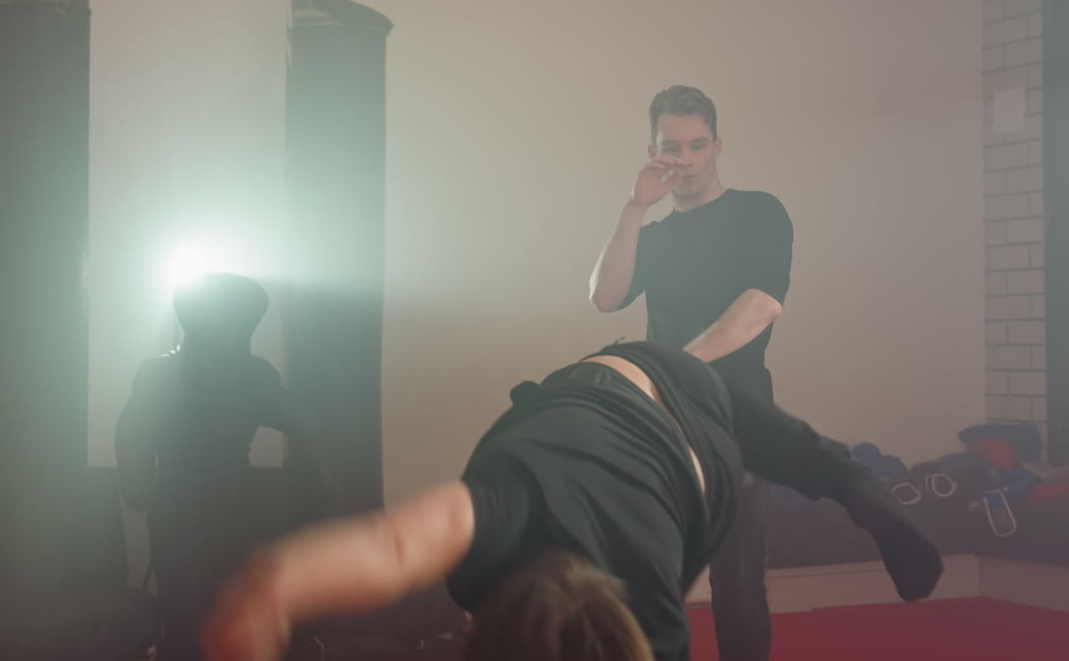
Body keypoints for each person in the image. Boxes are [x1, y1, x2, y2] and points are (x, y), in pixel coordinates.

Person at [202, 341, 943, 661]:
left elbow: (294, 578)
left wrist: (268, 597)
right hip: (628, 391)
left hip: (681, 433)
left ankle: (856, 486)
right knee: (791, 447)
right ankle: (856, 487)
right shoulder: (496, 513)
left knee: (785, 446)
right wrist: (267, 599)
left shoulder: (645, 606)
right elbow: (345, 562)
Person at [589, 84, 791, 661]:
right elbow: (604, 297)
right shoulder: (654, 235)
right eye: (671, 146)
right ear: (653, 149)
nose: (685, 158)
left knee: (738, 583)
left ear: (717, 146)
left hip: (739, 417)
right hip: (663, 418)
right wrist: (635, 207)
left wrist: (675, 365)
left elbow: (761, 304)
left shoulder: (759, 211)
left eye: (697, 145)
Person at [115, 272, 334, 661]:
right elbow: (308, 424)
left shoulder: (161, 373)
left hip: (181, 503)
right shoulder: (249, 375)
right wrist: (321, 486)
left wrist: (138, 484)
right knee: (214, 600)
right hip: (228, 502)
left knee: (187, 599)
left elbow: (132, 431)